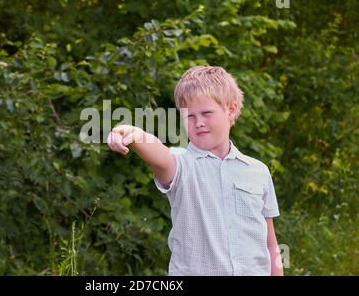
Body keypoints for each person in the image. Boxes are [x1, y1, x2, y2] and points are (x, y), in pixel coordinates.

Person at [107, 65, 283, 276]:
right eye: (189, 116)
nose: (198, 123)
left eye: (207, 113)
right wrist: (133, 134)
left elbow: (271, 245)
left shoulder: (258, 171)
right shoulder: (181, 164)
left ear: (231, 109)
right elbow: (159, 152)